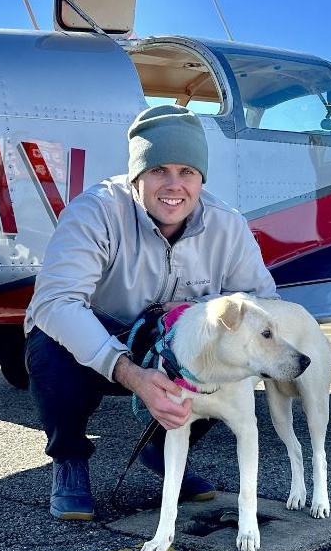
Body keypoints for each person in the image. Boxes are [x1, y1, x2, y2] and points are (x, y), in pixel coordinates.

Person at [24, 104, 277, 520]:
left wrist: (200, 312)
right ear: (137, 175)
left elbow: (263, 303)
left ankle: (165, 451)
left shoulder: (227, 225)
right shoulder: (95, 211)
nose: (174, 186)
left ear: (201, 178)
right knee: (48, 342)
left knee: (233, 345)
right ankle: (69, 458)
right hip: (103, 336)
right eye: (159, 170)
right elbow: (56, 302)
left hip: (170, 344)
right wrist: (131, 373)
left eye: (188, 172)